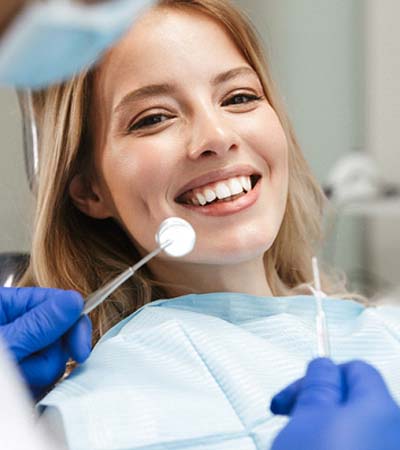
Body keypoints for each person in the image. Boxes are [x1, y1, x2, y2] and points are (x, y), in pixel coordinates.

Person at [14, 0, 400, 448]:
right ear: (89, 191)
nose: (217, 137)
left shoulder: (384, 331)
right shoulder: (93, 411)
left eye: (239, 97)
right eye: (154, 118)